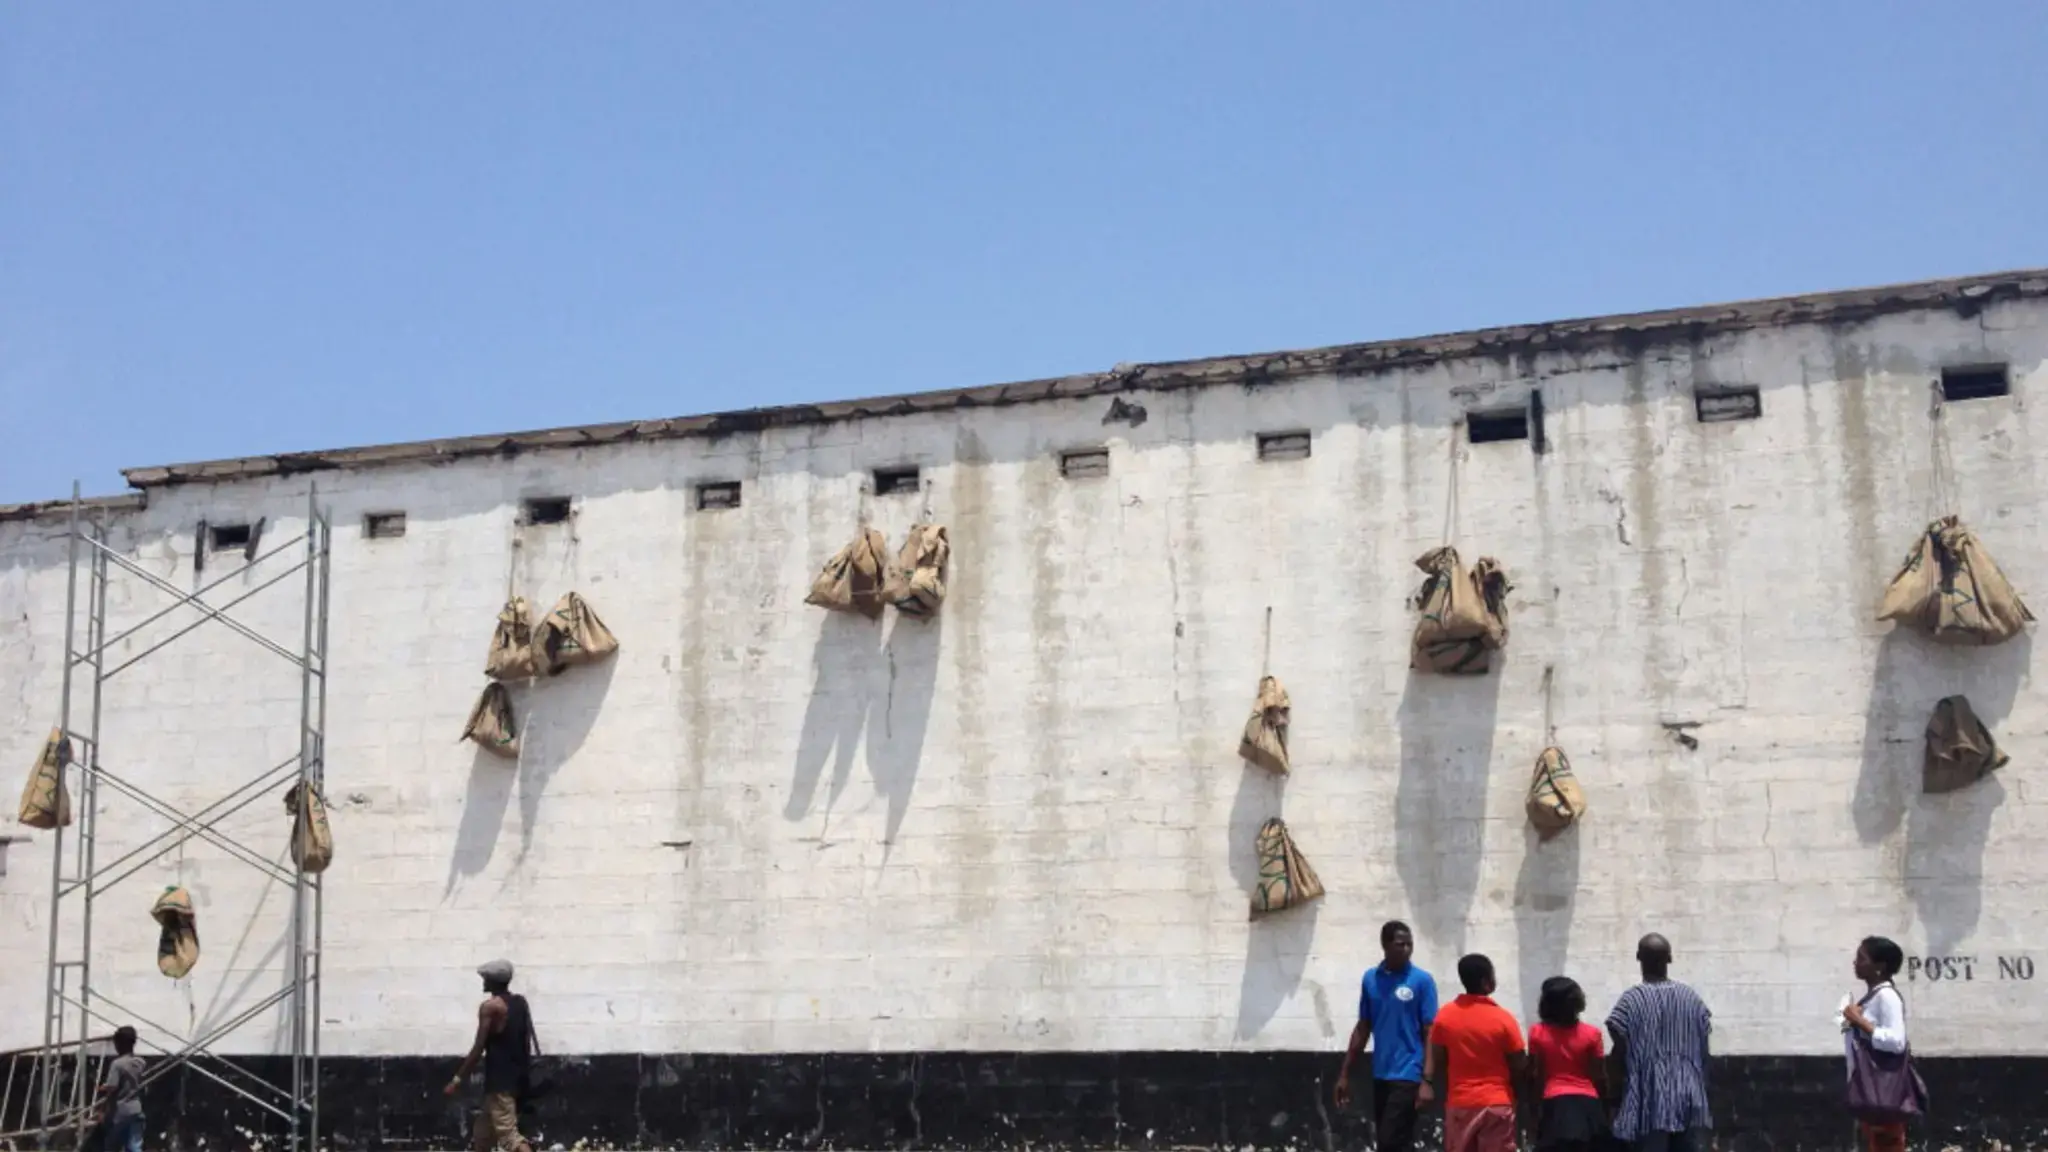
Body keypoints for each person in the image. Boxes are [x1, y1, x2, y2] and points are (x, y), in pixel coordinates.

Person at [1335, 921, 1440, 1152]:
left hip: (1409, 1074)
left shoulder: (1422, 981)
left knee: (1390, 1141)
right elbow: (1363, 1027)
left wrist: (1427, 1080)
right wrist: (1345, 1074)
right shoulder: (1371, 979)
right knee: (1393, 1143)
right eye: (1400, 944)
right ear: (1385, 944)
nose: (1406, 949)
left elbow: (1430, 1031)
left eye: (1410, 945)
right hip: (1381, 1074)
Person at [1607, 934, 1713, 1152]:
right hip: (1690, 1098)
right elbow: (1705, 1052)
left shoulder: (1630, 1001)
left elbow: (1618, 1053)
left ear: (1638, 957)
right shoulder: (1692, 999)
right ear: (1670, 959)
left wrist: (1615, 1100)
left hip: (1647, 1101)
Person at [1423, 954, 1526, 1152]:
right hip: (1497, 1102)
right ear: (1486, 982)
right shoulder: (1504, 1019)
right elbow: (1519, 1062)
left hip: (1460, 1103)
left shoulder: (1445, 1016)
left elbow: (1439, 1056)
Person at [445, 959, 538, 1152]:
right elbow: (526, 1039)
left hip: (499, 1080)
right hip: (516, 1076)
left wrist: (457, 1078)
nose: (483, 982)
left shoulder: (490, 1007)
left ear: (493, 982)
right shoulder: (520, 1003)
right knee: (483, 1135)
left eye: (486, 979)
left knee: (509, 1136)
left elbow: (478, 1048)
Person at [1842, 936, 1910, 1152]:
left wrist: (1860, 1022)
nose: (1856, 962)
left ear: (1879, 966)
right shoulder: (1872, 997)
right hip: (1868, 1089)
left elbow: (1896, 1042)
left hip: (1882, 1090)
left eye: (1862, 958)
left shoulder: (1887, 997)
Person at [1528, 976, 1608, 1152]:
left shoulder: (1537, 1033)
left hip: (1554, 1107)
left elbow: (1536, 1077)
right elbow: (1599, 1076)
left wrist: (1533, 1115)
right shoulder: (1592, 1034)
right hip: (1589, 1107)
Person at [96, 1026, 146, 1152]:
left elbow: (112, 1087)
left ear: (120, 1044)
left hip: (120, 1113)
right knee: (134, 1147)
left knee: (111, 1145)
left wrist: (101, 1088)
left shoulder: (117, 1064)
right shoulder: (140, 1062)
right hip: (136, 1109)